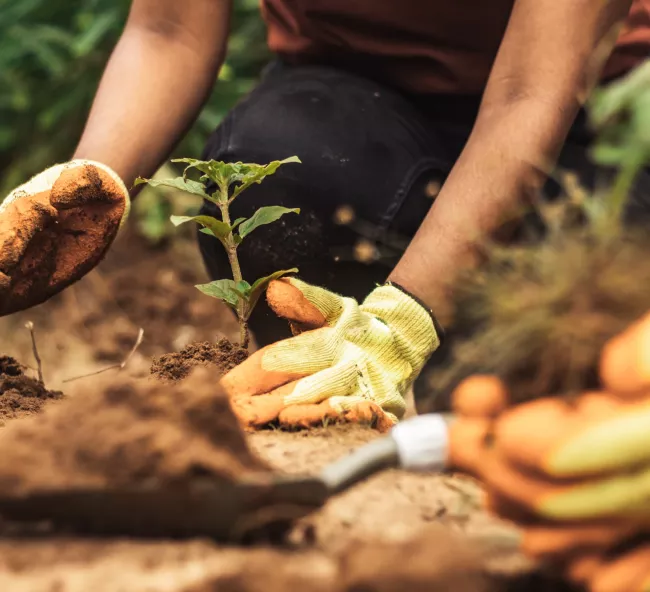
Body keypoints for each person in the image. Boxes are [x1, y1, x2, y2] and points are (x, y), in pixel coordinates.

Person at [2, 0, 650, 428]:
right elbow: (168, 29)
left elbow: (531, 91)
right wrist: (83, 189)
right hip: (357, 115)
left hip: (591, 128)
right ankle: (333, 395)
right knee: (280, 170)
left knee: (552, 392)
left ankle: (434, 364)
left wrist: (400, 326)